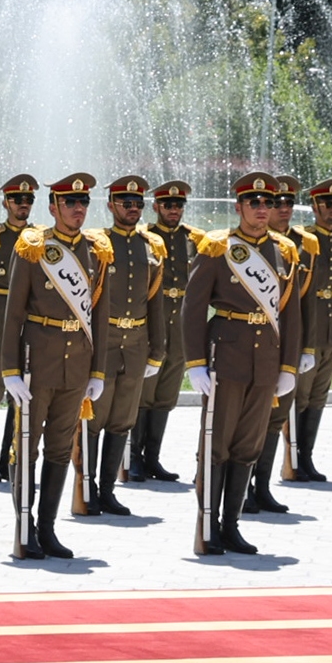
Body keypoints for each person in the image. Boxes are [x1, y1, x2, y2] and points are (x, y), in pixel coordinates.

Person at [179, 172, 307, 557]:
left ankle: (231, 525)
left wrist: (288, 366)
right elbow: (193, 307)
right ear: (239, 207)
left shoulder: (284, 251)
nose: (263, 209)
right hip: (227, 354)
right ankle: (207, 524)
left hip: (265, 359)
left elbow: (293, 315)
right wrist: (196, 362)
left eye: (268, 203)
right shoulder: (218, 247)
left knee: (247, 446)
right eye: (255, 203)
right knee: (216, 444)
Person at [0, 172, 107, 560]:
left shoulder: (97, 251)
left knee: (60, 449)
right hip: (36, 360)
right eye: (70, 203)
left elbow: (100, 315)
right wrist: (9, 368)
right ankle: (24, 527)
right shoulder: (34, 248)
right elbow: (12, 314)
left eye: (83, 204)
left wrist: (97, 371)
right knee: (25, 446)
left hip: (76, 363)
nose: (78, 210)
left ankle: (47, 529)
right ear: (54, 206)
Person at [83, 176, 158, 513]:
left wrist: (158, 349)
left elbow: (156, 301)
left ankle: (108, 490)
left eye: (138, 203)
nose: (133, 209)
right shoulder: (96, 244)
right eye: (126, 203)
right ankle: (86, 488)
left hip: (136, 341)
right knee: (94, 417)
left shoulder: (151, 246)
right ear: (110, 204)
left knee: (123, 418)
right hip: (105, 339)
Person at [285, 178, 332, 486]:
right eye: (328, 204)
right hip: (309, 326)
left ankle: (307, 457)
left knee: (318, 396)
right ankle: (292, 460)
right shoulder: (302, 240)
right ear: (315, 207)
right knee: (300, 396)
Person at [127, 180, 199, 483]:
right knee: (143, 394)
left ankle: (153, 458)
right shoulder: (144, 238)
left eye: (179, 205)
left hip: (180, 326)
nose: (174, 210)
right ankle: (133, 459)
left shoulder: (194, 240)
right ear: (155, 207)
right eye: (168, 205)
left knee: (165, 396)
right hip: (152, 327)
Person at [0, 174, 41, 486]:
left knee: (21, 396)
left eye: (28, 200)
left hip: (27, 323)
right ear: (6, 202)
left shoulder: (40, 238)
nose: (23, 204)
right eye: (17, 199)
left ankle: (8, 458)